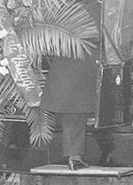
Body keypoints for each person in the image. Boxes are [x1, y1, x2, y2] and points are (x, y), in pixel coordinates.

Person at [41, 21, 100, 170]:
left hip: (67, 75)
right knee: (76, 117)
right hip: (81, 73)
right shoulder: (96, 9)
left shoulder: (67, 17)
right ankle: (75, 158)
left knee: (73, 117)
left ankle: (74, 157)